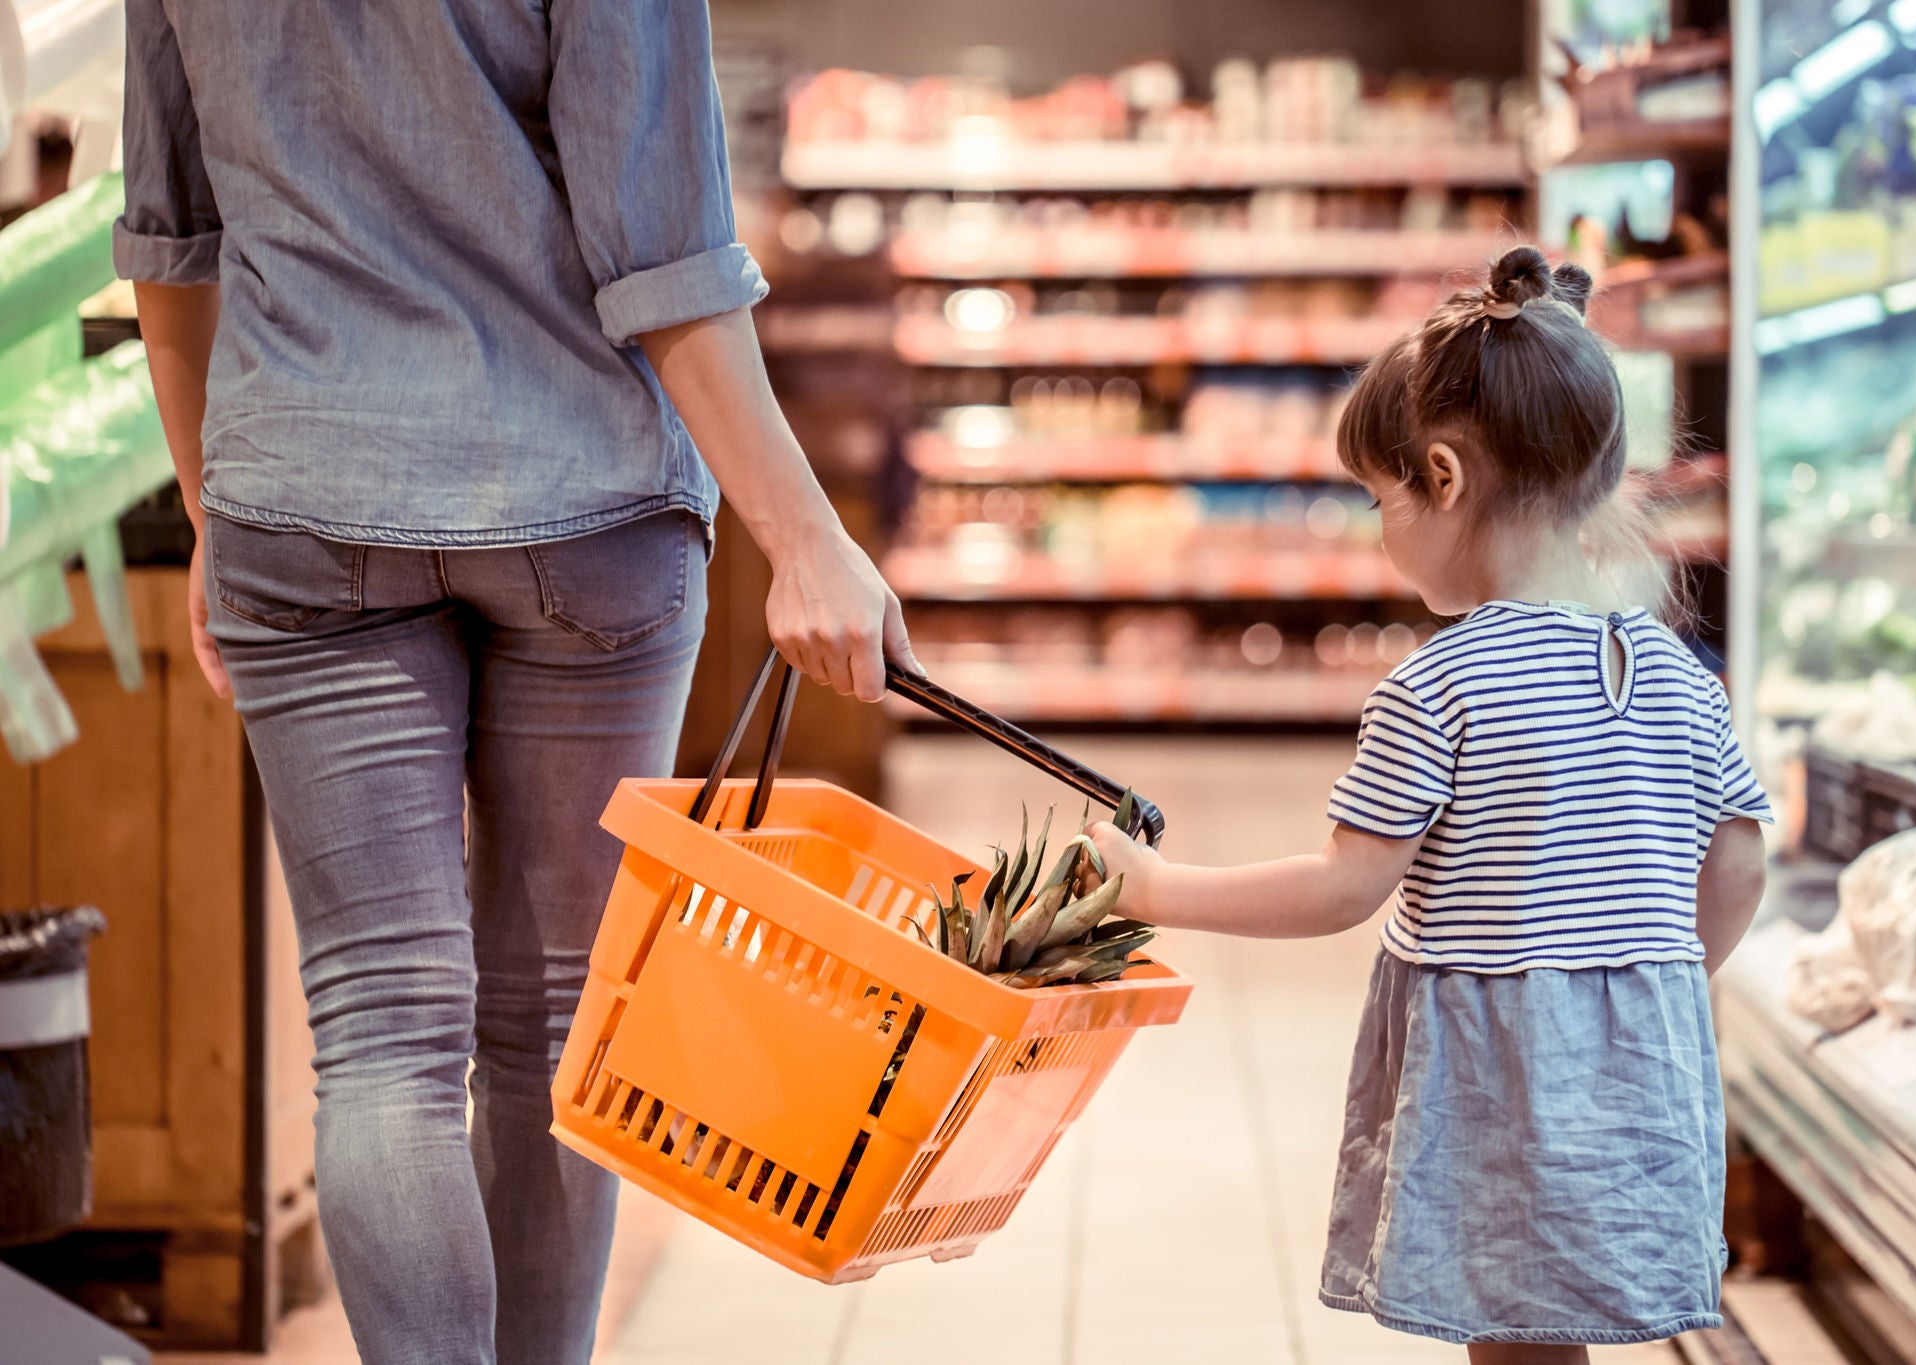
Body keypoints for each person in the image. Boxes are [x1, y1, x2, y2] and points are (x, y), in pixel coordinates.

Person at [115, 3, 915, 1362]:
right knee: (554, 1028)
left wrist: (210, 508)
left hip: (301, 490)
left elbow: (171, 235)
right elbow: (662, 253)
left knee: (380, 1039)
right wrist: (807, 537)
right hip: (580, 493)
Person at [1084, 246, 1770, 1364]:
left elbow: (1342, 885)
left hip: (1498, 1057)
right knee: (1558, 1326)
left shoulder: (1441, 681)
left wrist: (1162, 889)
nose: (1380, 527)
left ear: (1442, 480)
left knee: (1507, 1327)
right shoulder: (1675, 673)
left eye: (1377, 497)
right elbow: (1736, 860)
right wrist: (1649, 979)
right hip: (1636, 1047)